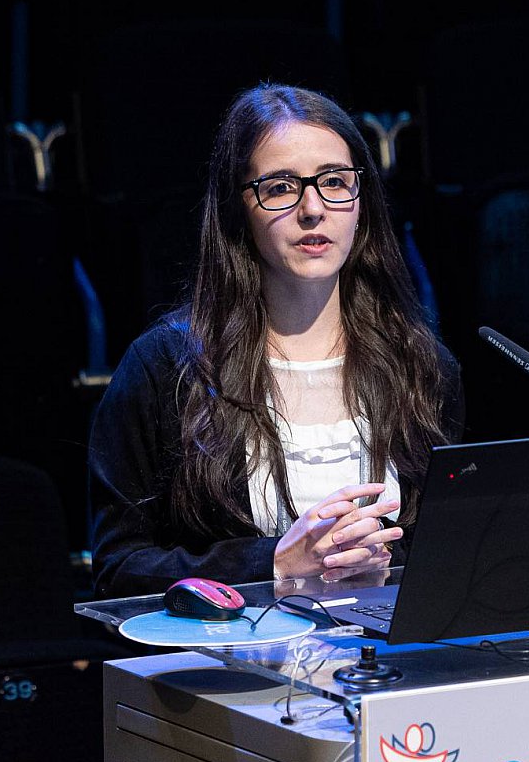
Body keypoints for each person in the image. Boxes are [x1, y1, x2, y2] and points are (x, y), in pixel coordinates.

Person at [88, 84, 463, 598]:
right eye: (281, 188)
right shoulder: (167, 368)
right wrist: (275, 564)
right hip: (235, 649)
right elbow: (118, 570)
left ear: (362, 204)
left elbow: (445, 550)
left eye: (334, 181)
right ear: (238, 208)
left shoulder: (420, 366)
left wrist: (383, 565)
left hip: (380, 645)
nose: (313, 208)